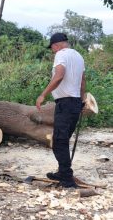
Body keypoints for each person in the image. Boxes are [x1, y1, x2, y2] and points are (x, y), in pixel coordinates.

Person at [36, 32, 86, 188]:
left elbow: (59, 76)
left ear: (56, 45)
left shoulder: (61, 54)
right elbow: (82, 79)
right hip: (75, 102)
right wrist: (82, 98)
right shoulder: (78, 56)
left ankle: (66, 177)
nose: (52, 51)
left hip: (65, 103)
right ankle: (62, 172)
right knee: (63, 140)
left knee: (59, 141)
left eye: (52, 48)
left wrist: (43, 95)